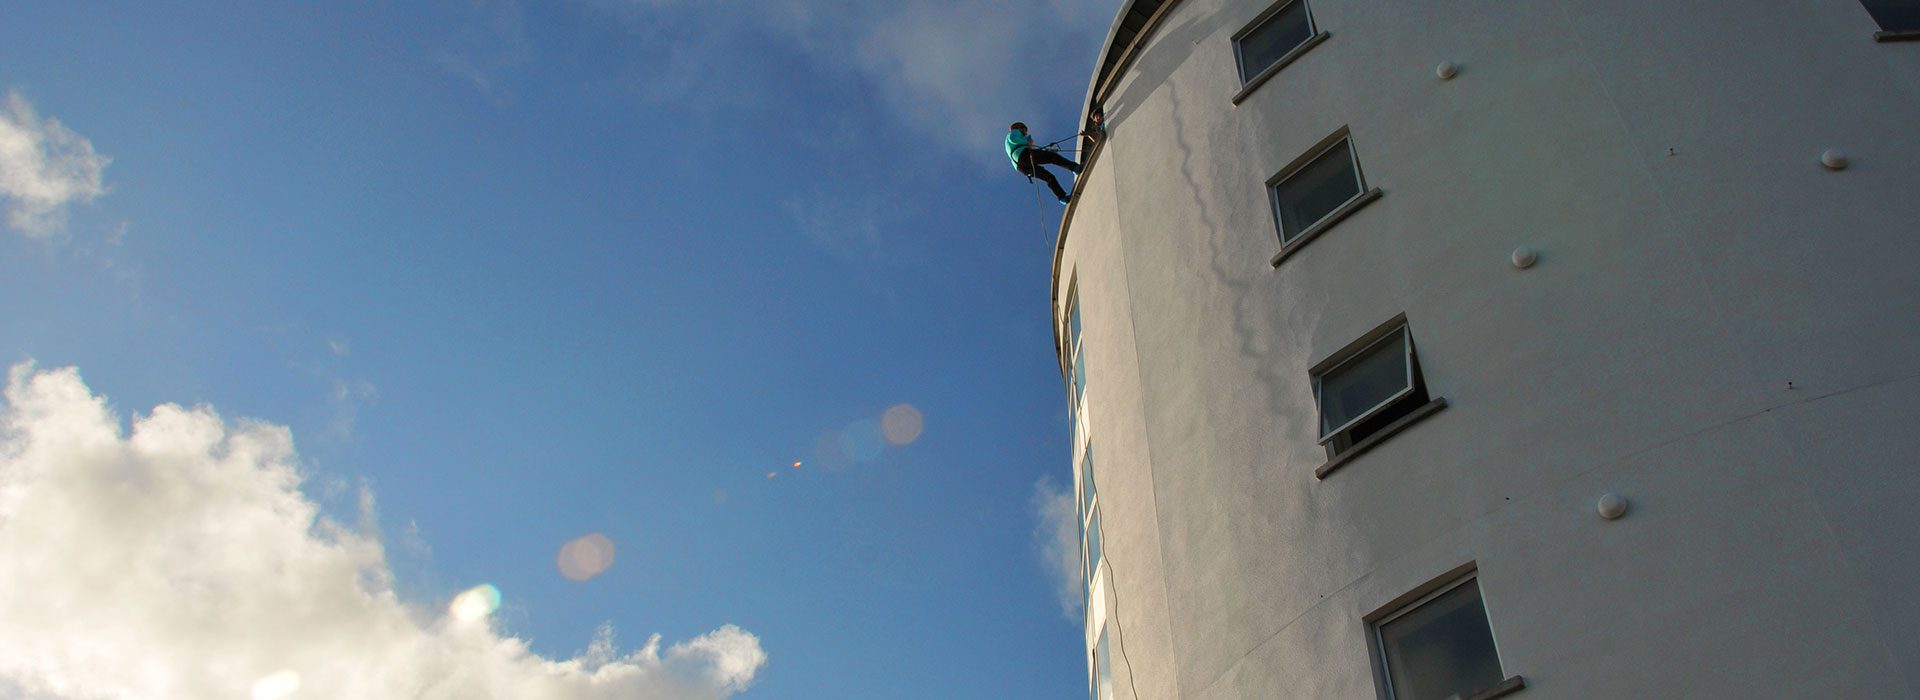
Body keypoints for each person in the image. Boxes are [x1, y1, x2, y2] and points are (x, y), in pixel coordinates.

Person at [1006, 122, 1081, 204]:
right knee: (1052, 157)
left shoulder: (1011, 144)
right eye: (1024, 130)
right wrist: (1027, 141)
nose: (1025, 133)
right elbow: (1014, 139)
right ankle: (1075, 168)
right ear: (1020, 128)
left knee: (1048, 177)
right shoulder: (1015, 132)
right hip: (1023, 155)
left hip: (1020, 167)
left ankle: (1062, 198)